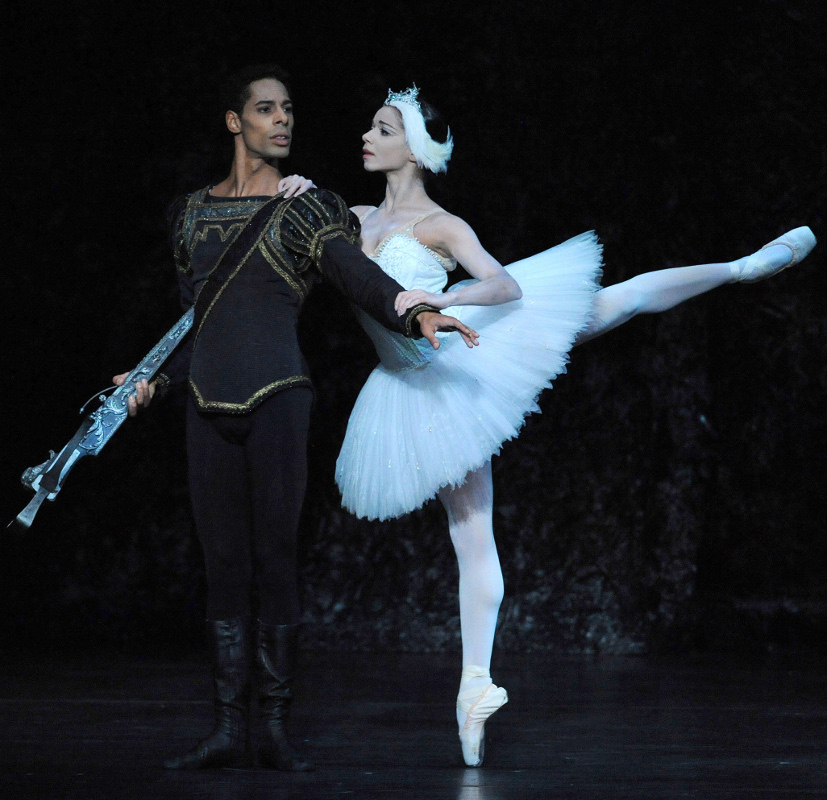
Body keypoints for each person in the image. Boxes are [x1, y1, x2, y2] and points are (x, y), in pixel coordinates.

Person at [334, 85, 817, 767]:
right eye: (370, 125)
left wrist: (439, 296)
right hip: (412, 385)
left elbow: (504, 286)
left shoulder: (440, 226)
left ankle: (743, 267)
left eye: (381, 128)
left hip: (469, 347)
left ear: (411, 148)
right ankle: (474, 688)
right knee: (469, 537)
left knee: (614, 304)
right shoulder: (349, 217)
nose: (366, 136)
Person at [117, 65, 478, 772]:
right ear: (234, 121)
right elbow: (197, 327)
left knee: (274, 560)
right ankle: (226, 728)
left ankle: (274, 729)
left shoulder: (307, 208)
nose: (281, 120)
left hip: (280, 398)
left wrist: (416, 307)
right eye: (264, 109)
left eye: (287, 109)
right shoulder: (189, 216)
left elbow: (359, 276)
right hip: (204, 404)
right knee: (222, 566)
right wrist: (151, 381)